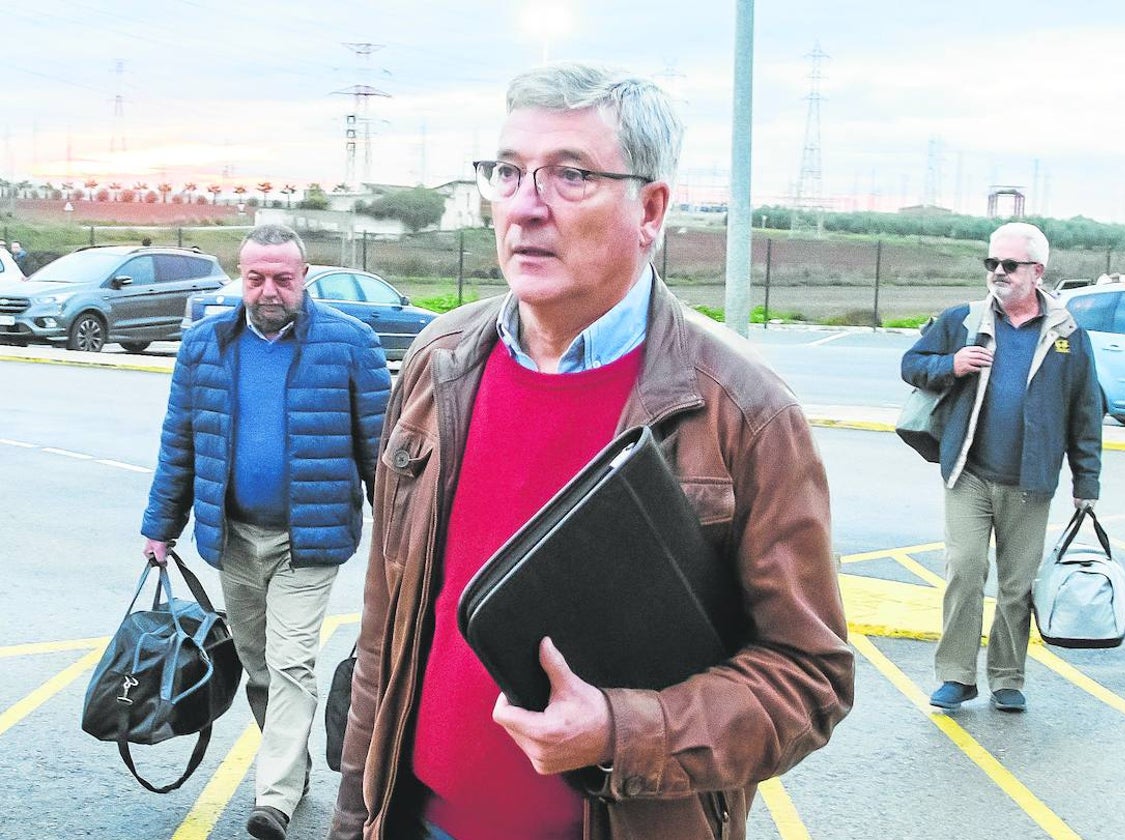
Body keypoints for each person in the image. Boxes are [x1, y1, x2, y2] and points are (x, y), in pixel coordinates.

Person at [328, 63, 854, 840]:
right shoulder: (439, 363)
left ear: (649, 209)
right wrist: (353, 820)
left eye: (570, 175)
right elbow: (387, 630)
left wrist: (621, 729)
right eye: (508, 172)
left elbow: (810, 679)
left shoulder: (745, 412)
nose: (526, 207)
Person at [140, 223, 391, 840]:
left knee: (290, 663)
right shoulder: (204, 346)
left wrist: (401, 530)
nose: (270, 290)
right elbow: (180, 445)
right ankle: (293, 767)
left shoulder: (350, 344)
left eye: (283, 278)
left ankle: (273, 798)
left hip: (310, 540)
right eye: (256, 278)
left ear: (304, 278)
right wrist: (159, 526)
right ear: (240, 278)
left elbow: (380, 449)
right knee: (257, 666)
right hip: (233, 538)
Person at [901, 221, 1103, 714]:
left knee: (1016, 587)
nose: (998, 272)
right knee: (965, 572)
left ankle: (1008, 678)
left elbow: (1085, 411)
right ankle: (956, 676)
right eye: (991, 263)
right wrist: (950, 364)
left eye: (1009, 265)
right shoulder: (962, 321)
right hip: (968, 474)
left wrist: (1086, 480)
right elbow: (911, 363)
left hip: (1030, 484)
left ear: (1037, 271)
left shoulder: (1069, 337)